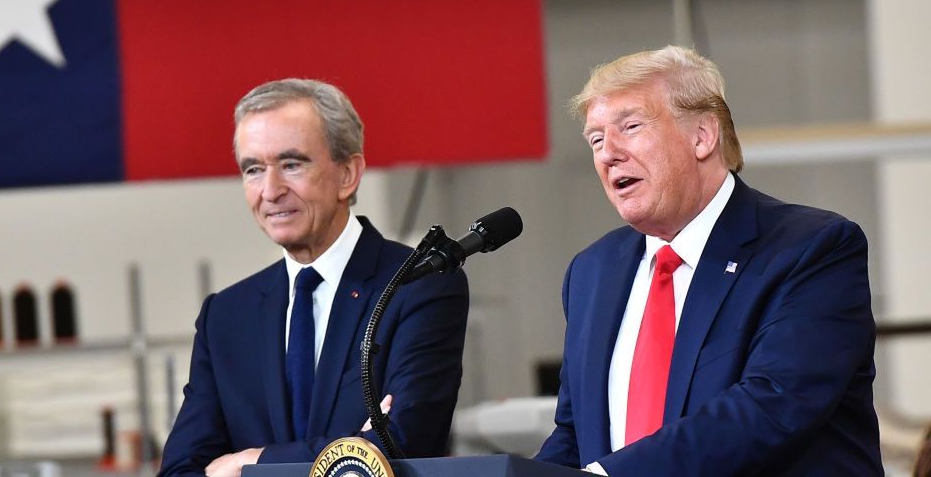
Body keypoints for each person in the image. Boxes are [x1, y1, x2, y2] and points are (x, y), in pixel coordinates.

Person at [535, 46, 882, 475]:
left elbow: (772, 405)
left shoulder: (811, 248)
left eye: (631, 126)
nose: (608, 153)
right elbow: (575, 434)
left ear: (702, 136)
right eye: (596, 139)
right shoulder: (592, 272)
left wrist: (612, 475)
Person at [158, 79, 469, 477]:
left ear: (348, 174)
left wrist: (249, 463)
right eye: (253, 170)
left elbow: (400, 444)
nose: (270, 191)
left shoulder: (419, 284)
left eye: (291, 164)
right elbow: (180, 470)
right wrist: (351, 445)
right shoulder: (226, 316)